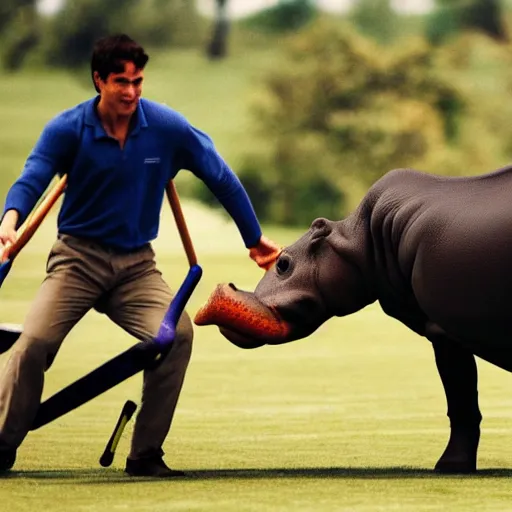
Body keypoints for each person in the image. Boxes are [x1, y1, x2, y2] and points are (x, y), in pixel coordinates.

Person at [0, 34, 281, 477]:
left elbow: (221, 175)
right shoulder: (68, 128)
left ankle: (145, 453)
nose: (130, 91)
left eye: (137, 81)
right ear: (99, 80)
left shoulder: (167, 128)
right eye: (120, 82)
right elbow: (33, 174)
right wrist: (10, 218)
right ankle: (2, 443)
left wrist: (254, 238)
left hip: (136, 267)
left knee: (177, 337)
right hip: (77, 260)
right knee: (33, 344)